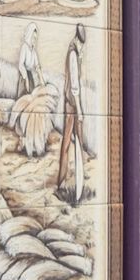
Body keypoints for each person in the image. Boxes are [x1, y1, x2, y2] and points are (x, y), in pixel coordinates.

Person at [56, 24, 86, 201]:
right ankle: (62, 181)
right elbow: (74, 86)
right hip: (72, 104)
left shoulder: (73, 52)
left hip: (71, 103)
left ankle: (75, 181)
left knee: (74, 142)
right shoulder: (73, 54)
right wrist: (80, 110)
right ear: (78, 40)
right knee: (68, 143)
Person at [17, 22, 42, 97]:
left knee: (32, 97)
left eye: (35, 38)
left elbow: (37, 65)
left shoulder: (33, 50)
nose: (34, 40)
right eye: (33, 38)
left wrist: (41, 80)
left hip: (30, 76)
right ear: (29, 36)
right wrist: (26, 79)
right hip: (23, 76)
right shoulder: (24, 47)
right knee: (22, 98)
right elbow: (21, 65)